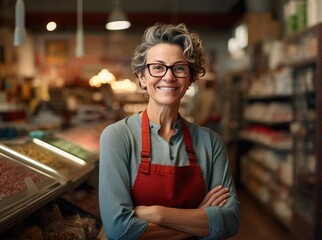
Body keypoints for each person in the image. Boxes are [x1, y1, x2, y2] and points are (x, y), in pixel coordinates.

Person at [99, 23, 240, 240]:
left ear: (191, 78)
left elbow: (229, 222)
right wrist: (199, 217)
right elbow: (119, 230)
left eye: (179, 68)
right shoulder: (118, 137)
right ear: (142, 77)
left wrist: (158, 214)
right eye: (157, 67)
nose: (168, 77)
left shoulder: (211, 142)